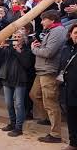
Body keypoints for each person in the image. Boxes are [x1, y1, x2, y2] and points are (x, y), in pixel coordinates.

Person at [29, 10, 66, 143]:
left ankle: (56, 134)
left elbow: (49, 52)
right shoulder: (52, 31)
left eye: (43, 19)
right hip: (42, 70)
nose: (41, 22)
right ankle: (47, 119)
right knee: (34, 95)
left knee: (50, 102)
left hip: (49, 71)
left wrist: (34, 49)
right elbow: (46, 49)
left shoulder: (58, 31)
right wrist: (40, 46)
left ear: (51, 19)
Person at [0, 30, 34, 137]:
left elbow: (27, 64)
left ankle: (18, 127)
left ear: (23, 38)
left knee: (19, 104)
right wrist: (0, 47)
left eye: (19, 36)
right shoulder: (7, 48)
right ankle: (12, 123)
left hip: (20, 80)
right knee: (8, 103)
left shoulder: (26, 50)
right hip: (7, 78)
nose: (16, 38)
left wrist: (18, 51)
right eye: (14, 36)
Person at [59, 24, 77, 150]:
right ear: (70, 34)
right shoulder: (66, 48)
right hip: (69, 90)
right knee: (71, 118)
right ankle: (73, 143)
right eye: (75, 33)